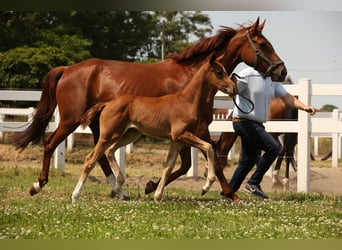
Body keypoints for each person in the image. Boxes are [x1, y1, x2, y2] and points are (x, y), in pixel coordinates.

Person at [229, 66, 317, 199]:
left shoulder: (273, 80)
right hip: (243, 122)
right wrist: (232, 85)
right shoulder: (247, 74)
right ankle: (253, 182)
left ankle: (228, 192)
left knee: (248, 160)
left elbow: (288, 98)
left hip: (256, 124)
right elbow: (232, 87)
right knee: (274, 148)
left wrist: (305, 107)